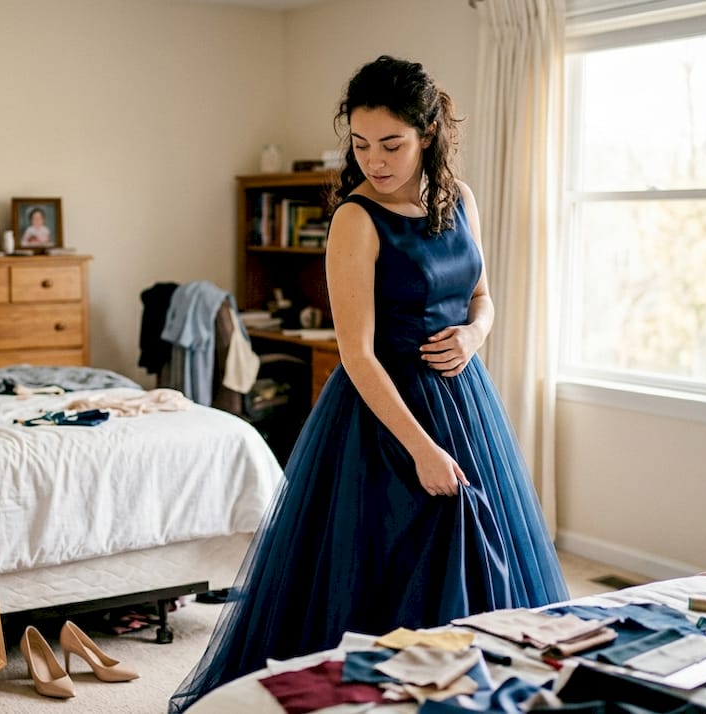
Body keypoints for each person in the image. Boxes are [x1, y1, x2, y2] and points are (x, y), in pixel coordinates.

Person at [169, 56, 568, 712]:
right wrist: (420, 449)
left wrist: (473, 336)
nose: (375, 160)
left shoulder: (460, 200)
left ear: (429, 134)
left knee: (482, 559)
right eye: (360, 144)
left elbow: (484, 299)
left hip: (463, 399)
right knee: (378, 568)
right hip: (384, 413)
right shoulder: (356, 218)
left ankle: (466, 687)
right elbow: (355, 352)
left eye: (392, 144)